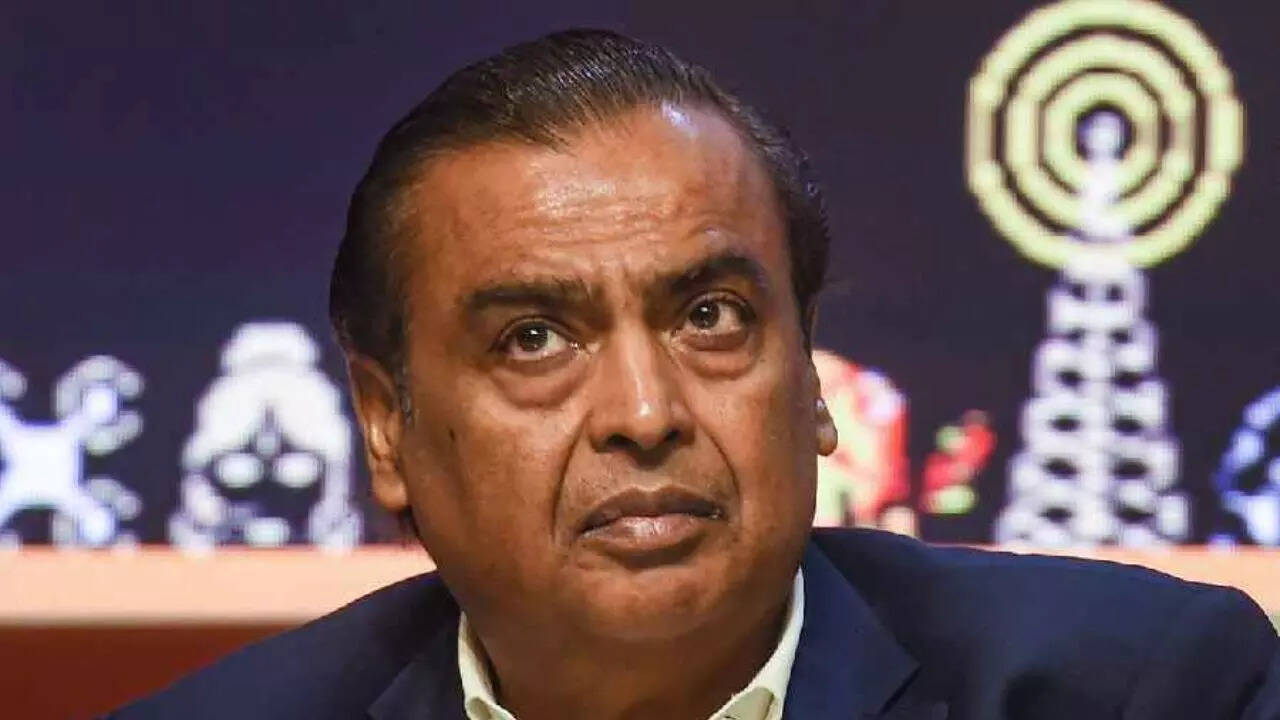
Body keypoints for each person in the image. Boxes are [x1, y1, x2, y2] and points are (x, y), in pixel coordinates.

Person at [114, 30, 1278, 720]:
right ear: (385, 425)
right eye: (533, 338)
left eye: (709, 318)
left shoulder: (1145, 693)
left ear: (809, 382)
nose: (644, 413)